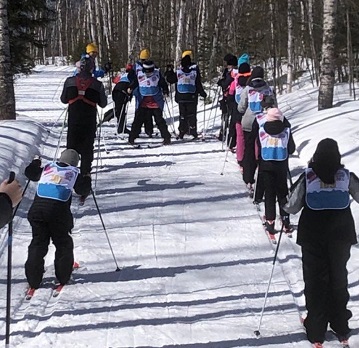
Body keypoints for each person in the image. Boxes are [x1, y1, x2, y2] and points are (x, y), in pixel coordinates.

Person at [283, 138, 359, 347]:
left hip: (313, 235)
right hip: (341, 235)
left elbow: (291, 206)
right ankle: (340, 323)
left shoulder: (308, 177)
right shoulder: (346, 176)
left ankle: (316, 328)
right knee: (338, 277)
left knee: (315, 280)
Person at [24, 149, 89, 290]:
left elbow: (30, 173)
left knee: (38, 243)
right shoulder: (74, 173)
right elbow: (83, 190)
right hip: (58, 213)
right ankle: (63, 276)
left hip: (37, 211)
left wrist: (35, 163)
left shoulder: (48, 167)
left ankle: (33, 280)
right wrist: (87, 178)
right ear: (75, 163)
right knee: (63, 243)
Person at [61, 54, 107, 183]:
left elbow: (63, 100)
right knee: (87, 150)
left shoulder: (69, 81)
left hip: (73, 120)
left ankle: (68, 179)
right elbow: (103, 103)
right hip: (89, 121)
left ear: (79, 68)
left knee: (71, 149)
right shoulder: (97, 84)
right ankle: (85, 179)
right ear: (92, 69)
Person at [253, 107, 295, 235]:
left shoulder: (262, 130)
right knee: (283, 193)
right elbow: (291, 148)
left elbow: (259, 146)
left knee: (269, 194)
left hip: (266, 166)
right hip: (281, 165)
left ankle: (270, 222)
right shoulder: (286, 130)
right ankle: (285, 220)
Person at [237, 65, 277, 197]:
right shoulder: (269, 89)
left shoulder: (248, 89)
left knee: (249, 149)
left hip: (249, 122)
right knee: (262, 151)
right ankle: (263, 179)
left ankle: (248, 177)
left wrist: (243, 111)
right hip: (265, 123)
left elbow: (241, 107)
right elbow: (274, 107)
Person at [128, 60, 172, 145]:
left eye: (149, 72)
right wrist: (130, 87)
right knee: (137, 120)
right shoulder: (140, 74)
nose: (148, 74)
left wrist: (166, 91)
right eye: (146, 72)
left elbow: (163, 84)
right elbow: (135, 82)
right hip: (143, 102)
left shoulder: (157, 74)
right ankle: (132, 137)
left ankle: (167, 137)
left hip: (155, 102)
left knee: (159, 121)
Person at [165, 50, 207, 139]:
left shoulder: (179, 71)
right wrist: (202, 93)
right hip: (192, 96)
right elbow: (198, 83)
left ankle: (182, 131)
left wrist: (169, 72)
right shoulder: (194, 70)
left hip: (181, 96)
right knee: (192, 114)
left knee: (182, 115)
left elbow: (171, 80)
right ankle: (192, 130)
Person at [130, 48, 155, 137]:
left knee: (141, 111)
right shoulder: (143, 65)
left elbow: (131, 77)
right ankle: (145, 130)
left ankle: (140, 130)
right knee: (145, 110)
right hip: (144, 90)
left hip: (142, 90)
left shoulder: (136, 66)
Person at [112, 63, 135, 134]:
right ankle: (121, 128)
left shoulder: (122, 74)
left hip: (116, 90)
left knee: (119, 110)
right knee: (122, 110)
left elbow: (115, 81)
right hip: (123, 91)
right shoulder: (132, 75)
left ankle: (121, 127)